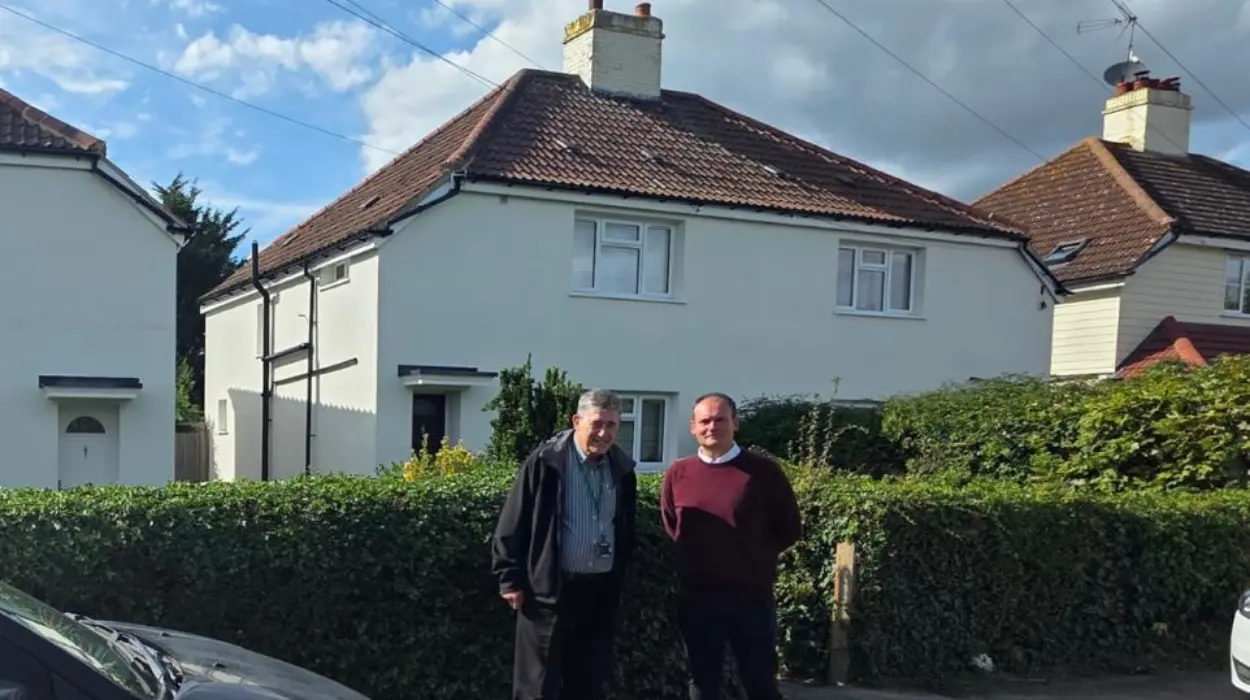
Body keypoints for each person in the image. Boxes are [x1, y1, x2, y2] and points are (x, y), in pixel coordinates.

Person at [491, 388, 638, 700]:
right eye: (597, 423)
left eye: (612, 425)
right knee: (537, 688)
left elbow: (626, 526)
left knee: (587, 684)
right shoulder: (546, 462)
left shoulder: (621, 468)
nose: (604, 432)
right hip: (549, 593)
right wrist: (509, 579)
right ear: (576, 421)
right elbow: (512, 521)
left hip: (599, 593)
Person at [660, 392, 803, 700]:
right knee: (701, 684)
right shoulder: (678, 473)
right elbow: (673, 525)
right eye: (705, 421)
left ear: (735, 423)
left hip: (751, 599)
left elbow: (789, 528)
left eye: (720, 419)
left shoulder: (764, 473)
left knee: (760, 683)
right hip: (698, 599)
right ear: (693, 428)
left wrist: (752, 557)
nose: (712, 427)